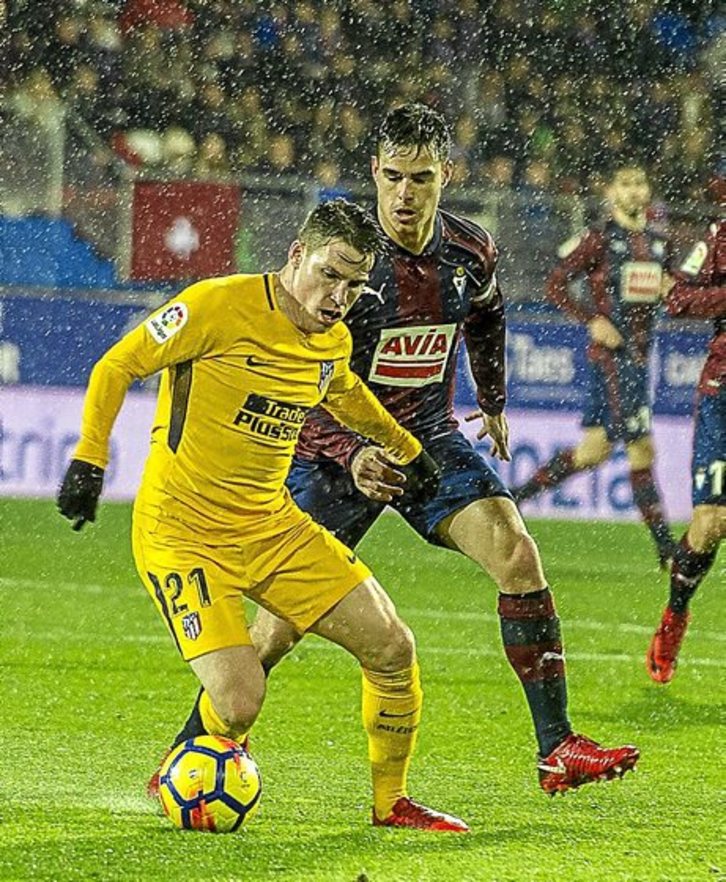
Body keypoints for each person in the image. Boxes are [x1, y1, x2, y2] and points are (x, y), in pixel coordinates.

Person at [251, 103, 639, 794]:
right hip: (335, 454)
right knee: (277, 629)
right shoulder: (346, 260)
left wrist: (492, 400)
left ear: (446, 176)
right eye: (393, 177)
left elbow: (488, 313)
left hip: (427, 439)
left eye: (421, 178)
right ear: (375, 171)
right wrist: (350, 453)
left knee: (517, 553)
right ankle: (197, 746)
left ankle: (556, 748)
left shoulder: (469, 250)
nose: (405, 194)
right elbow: (300, 371)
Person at [57, 199, 469, 833]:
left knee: (392, 646)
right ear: (297, 255)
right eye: (330, 274)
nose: (340, 296)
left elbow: (344, 393)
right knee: (240, 701)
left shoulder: (331, 339)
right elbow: (119, 364)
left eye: (355, 284)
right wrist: (90, 458)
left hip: (271, 527)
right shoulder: (216, 305)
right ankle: (188, 765)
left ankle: (392, 804)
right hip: (182, 532)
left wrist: (407, 450)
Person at [512, 161, 677, 567]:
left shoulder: (659, 242)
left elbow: (671, 290)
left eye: (640, 182)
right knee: (641, 448)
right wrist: (592, 320)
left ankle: (513, 500)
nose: (634, 190)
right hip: (614, 360)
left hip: (640, 358)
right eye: (626, 183)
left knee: (593, 452)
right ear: (611, 192)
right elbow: (555, 284)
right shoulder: (600, 239)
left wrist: (673, 292)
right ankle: (667, 550)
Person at [646, 217, 725, 682]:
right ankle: (675, 615)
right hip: (722, 391)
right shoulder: (720, 234)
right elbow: (676, 297)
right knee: (711, 522)